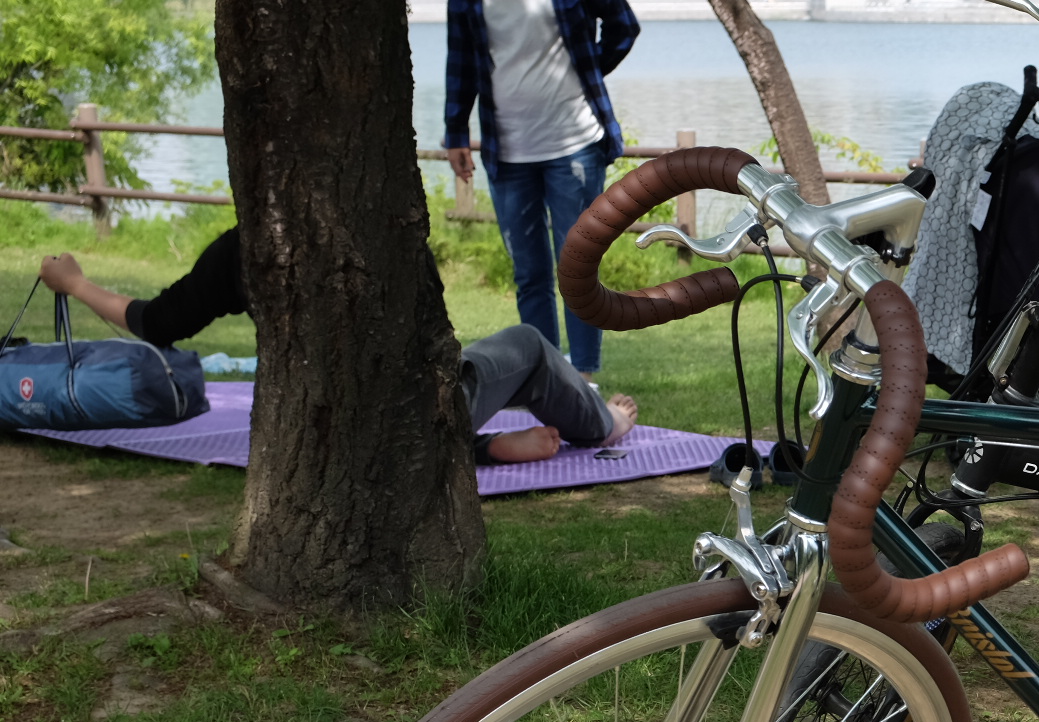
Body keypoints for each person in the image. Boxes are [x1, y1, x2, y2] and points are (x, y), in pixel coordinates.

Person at [37, 239, 636, 464]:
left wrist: (76, 284)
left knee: (382, 403)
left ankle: (479, 447)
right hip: (409, 416)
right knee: (527, 344)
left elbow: (156, 321)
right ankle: (599, 424)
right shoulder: (382, 228)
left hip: (306, 425)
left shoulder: (241, 251)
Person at [443, 0, 639, 377]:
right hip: (506, 149)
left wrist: (585, 72)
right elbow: (460, 57)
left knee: (577, 268)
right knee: (529, 274)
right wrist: (455, 131)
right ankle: (547, 380)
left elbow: (623, 25)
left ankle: (584, 377)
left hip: (574, 143)